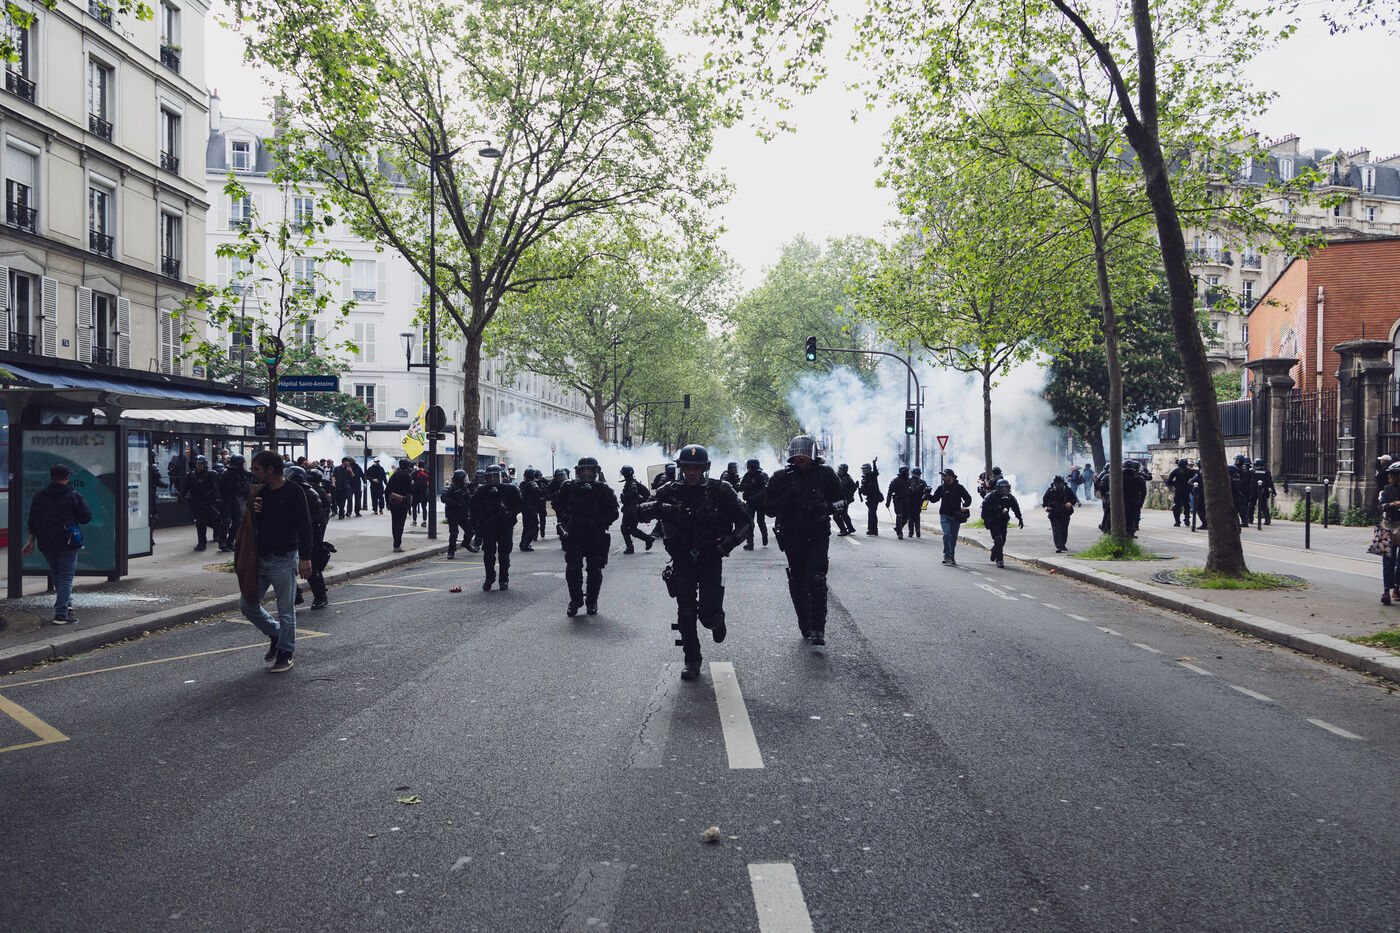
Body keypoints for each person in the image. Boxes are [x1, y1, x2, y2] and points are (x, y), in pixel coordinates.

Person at [636, 444, 751, 681]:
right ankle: (692, 659)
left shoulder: (720, 490)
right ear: (681, 467)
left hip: (710, 558)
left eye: (696, 468)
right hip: (682, 559)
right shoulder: (669, 490)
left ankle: (716, 620)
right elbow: (638, 513)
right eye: (687, 467)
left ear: (704, 468)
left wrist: (731, 541)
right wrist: (661, 507)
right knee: (686, 611)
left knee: (707, 613)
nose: (691, 472)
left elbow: (746, 522)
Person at [235, 451, 313, 673]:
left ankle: (286, 652)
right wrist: (254, 511)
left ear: (270, 469)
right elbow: (251, 523)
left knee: (286, 610)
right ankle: (276, 633)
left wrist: (305, 557)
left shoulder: (294, 491)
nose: (253, 473)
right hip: (259, 559)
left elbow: (305, 526)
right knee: (247, 605)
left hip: (284, 558)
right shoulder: (259, 492)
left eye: (257, 469)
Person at [764, 434, 845, 646]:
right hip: (792, 536)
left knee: (817, 579)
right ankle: (805, 623)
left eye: (805, 454)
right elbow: (768, 509)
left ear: (812, 455)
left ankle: (818, 628)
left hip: (818, 534)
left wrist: (824, 508)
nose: (801, 457)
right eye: (797, 454)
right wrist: (789, 496)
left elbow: (842, 500)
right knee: (798, 581)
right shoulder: (781, 477)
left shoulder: (825, 474)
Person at [21, 463, 92, 625]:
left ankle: (67, 607)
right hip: (68, 541)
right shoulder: (74, 495)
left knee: (58, 574)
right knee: (66, 577)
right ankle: (61, 614)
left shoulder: (40, 496)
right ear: (67, 477)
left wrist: (31, 541)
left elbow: (32, 520)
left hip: (46, 542)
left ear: (51, 477)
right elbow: (86, 518)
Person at [554, 456, 620, 615]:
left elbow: (614, 513)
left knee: (595, 570)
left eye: (589, 470)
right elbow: (558, 504)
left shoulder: (603, 489)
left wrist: (596, 521)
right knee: (572, 569)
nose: (585, 474)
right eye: (582, 470)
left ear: (595, 471)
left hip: (595, 535)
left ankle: (592, 601)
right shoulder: (568, 487)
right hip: (575, 534)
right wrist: (565, 518)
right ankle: (576, 600)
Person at [469, 465, 523, 590]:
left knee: (504, 555)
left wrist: (510, 513)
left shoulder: (510, 489)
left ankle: (504, 579)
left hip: (505, 526)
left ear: (501, 477)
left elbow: (520, 504)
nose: (493, 480)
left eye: (495, 477)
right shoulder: (481, 490)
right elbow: (472, 506)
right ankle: (490, 577)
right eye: (490, 477)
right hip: (489, 527)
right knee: (488, 554)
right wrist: (483, 514)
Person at [287, 465, 331, 610]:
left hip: (309, 536)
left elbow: (318, 519)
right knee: (287, 568)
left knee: (312, 569)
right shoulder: (288, 493)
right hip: (292, 536)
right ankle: (295, 595)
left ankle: (320, 597)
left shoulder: (310, 494)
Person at [928, 469, 972, 565]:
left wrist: (964, 506)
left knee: (953, 537)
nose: (943, 478)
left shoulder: (959, 488)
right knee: (946, 534)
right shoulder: (941, 488)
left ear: (951, 477)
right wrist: (928, 494)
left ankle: (951, 557)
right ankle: (946, 556)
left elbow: (968, 498)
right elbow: (934, 499)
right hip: (944, 515)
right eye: (942, 476)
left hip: (956, 516)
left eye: (945, 476)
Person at [980, 477, 1023, 568]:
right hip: (993, 521)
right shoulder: (991, 496)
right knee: (998, 539)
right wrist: (987, 519)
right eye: (1002, 488)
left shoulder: (1010, 497)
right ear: (998, 488)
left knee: (1002, 541)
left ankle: (994, 550)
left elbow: (1016, 508)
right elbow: (984, 510)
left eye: (1006, 488)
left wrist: (1020, 519)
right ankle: (999, 559)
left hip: (1003, 521)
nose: (1004, 490)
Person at [181, 455, 221, 552]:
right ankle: (202, 542)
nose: (199, 465)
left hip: (208, 502)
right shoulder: (191, 475)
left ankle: (217, 534)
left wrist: (215, 497)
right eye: (198, 463)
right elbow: (185, 487)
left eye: (201, 463)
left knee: (214, 520)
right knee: (200, 522)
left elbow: (216, 487)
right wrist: (181, 496)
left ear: (204, 464)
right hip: (197, 502)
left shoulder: (211, 474)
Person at [216, 454, 251, 551]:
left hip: (234, 498)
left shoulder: (240, 473)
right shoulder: (226, 474)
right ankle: (223, 543)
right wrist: (219, 498)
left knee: (238, 520)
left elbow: (249, 475)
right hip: (226, 499)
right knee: (226, 521)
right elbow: (219, 486)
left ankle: (230, 541)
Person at [618, 465, 656, 553]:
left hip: (631, 510)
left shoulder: (632, 485)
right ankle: (643, 541)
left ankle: (646, 540)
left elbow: (633, 498)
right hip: (630, 510)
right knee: (627, 528)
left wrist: (624, 497)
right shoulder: (631, 483)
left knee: (630, 529)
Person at [442, 469, 476, 558]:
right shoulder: (450, 488)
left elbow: (469, 499)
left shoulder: (465, 487)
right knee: (454, 533)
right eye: (464, 478)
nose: (465, 480)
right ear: (459, 479)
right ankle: (451, 552)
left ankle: (465, 544)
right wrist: (456, 503)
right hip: (452, 514)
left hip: (462, 513)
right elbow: (443, 498)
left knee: (470, 531)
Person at [1379, 463, 1400, 604]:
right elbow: (1380, 507)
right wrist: (1391, 505)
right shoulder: (1387, 489)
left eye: (1391, 474)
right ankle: (1386, 590)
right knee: (1388, 560)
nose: (1388, 476)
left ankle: (1397, 588)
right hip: (1389, 527)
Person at [737, 458, 770, 548]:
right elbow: (741, 487)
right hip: (750, 502)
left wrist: (754, 497)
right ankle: (750, 542)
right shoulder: (747, 475)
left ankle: (765, 537)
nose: (748, 468)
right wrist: (746, 487)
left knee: (760, 521)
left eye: (749, 467)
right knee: (749, 522)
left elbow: (765, 490)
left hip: (760, 503)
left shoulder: (762, 476)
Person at [1041, 474, 1078, 553]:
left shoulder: (1067, 490)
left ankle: (1063, 544)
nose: (1059, 485)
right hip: (1054, 513)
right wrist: (1045, 507)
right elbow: (1044, 500)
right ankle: (1058, 546)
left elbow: (1074, 499)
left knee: (1064, 530)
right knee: (1056, 530)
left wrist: (1070, 503)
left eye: (1060, 483)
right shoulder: (1050, 490)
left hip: (1065, 513)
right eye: (1057, 483)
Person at [386, 459, 415, 552]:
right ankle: (397, 544)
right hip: (402, 502)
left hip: (393, 501)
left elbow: (387, 489)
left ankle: (395, 542)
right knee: (400, 523)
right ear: (407, 466)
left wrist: (387, 502)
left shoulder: (394, 475)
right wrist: (412, 484)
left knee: (394, 522)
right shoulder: (407, 476)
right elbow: (410, 490)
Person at [902, 467, 931, 539]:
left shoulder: (909, 481)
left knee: (911, 517)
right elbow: (926, 492)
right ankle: (917, 531)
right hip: (917, 501)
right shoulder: (921, 482)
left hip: (911, 501)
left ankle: (911, 532)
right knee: (916, 516)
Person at [1165, 458, 1195, 527]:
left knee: (1177, 506)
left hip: (1178, 491)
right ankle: (1187, 520)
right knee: (1186, 505)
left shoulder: (1176, 471)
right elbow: (1196, 476)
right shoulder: (1190, 471)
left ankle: (1177, 522)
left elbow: (1169, 481)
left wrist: (1175, 483)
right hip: (1186, 490)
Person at [518, 469, 543, 552]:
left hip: (525, 509)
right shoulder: (532, 484)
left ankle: (523, 543)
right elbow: (539, 492)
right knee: (534, 528)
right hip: (531, 509)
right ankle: (525, 543)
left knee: (526, 527)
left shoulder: (522, 484)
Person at [1122, 460, 1148, 537]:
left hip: (1123, 501)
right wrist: (1141, 502)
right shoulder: (1139, 477)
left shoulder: (1119, 477)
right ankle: (1130, 533)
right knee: (1131, 518)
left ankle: (1123, 533)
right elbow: (1144, 491)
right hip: (1134, 500)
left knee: (1123, 517)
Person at [886, 465, 911, 539]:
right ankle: (899, 532)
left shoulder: (909, 480)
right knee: (899, 515)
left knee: (906, 517)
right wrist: (888, 502)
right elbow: (890, 492)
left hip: (906, 501)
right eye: (906, 472)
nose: (907, 473)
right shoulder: (895, 481)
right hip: (898, 500)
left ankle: (898, 528)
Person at [858, 460, 882, 535]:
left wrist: (874, 463)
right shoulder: (864, 478)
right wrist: (860, 490)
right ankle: (874, 530)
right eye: (863, 469)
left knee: (871, 513)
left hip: (875, 497)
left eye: (865, 469)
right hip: (869, 498)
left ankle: (871, 529)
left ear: (869, 469)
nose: (864, 470)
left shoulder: (872, 476)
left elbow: (875, 472)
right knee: (872, 513)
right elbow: (865, 490)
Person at [834, 463, 858, 536]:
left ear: (845, 470)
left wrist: (848, 498)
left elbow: (853, 488)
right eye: (839, 469)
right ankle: (850, 528)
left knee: (836, 516)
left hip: (844, 499)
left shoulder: (847, 478)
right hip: (839, 499)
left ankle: (843, 530)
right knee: (844, 514)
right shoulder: (837, 476)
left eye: (841, 469)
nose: (840, 471)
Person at [1251, 458, 1276, 525]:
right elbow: (1270, 482)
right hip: (1264, 490)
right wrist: (1273, 491)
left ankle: (1250, 519)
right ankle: (1267, 519)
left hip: (1253, 490)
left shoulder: (1252, 471)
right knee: (1263, 505)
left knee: (1252, 505)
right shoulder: (1266, 472)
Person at [411, 461, 431, 526]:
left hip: (416, 492)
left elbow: (411, 482)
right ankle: (424, 521)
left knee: (414, 507)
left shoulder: (414, 473)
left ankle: (414, 521)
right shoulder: (427, 473)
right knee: (424, 507)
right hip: (424, 492)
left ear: (418, 465)